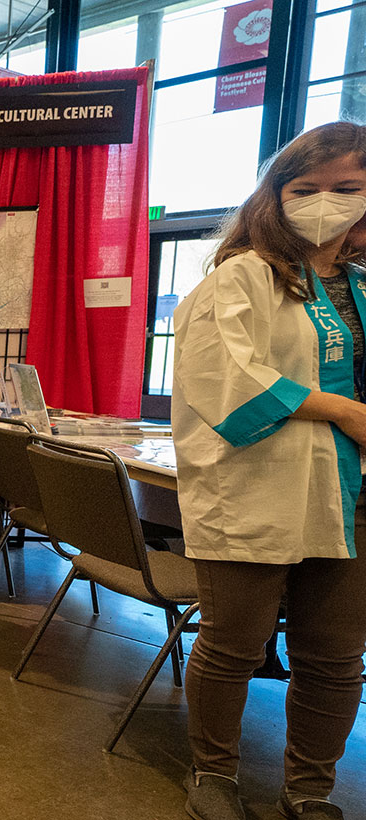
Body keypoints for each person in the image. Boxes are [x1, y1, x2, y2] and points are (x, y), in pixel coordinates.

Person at [172, 121, 366, 820]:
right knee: (233, 643)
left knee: (337, 654)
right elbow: (221, 371)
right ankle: (214, 774)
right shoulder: (245, 276)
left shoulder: (361, 284)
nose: (326, 202)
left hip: (352, 494)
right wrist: (341, 411)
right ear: (275, 195)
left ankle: (310, 789)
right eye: (305, 186)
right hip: (261, 483)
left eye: (347, 187)